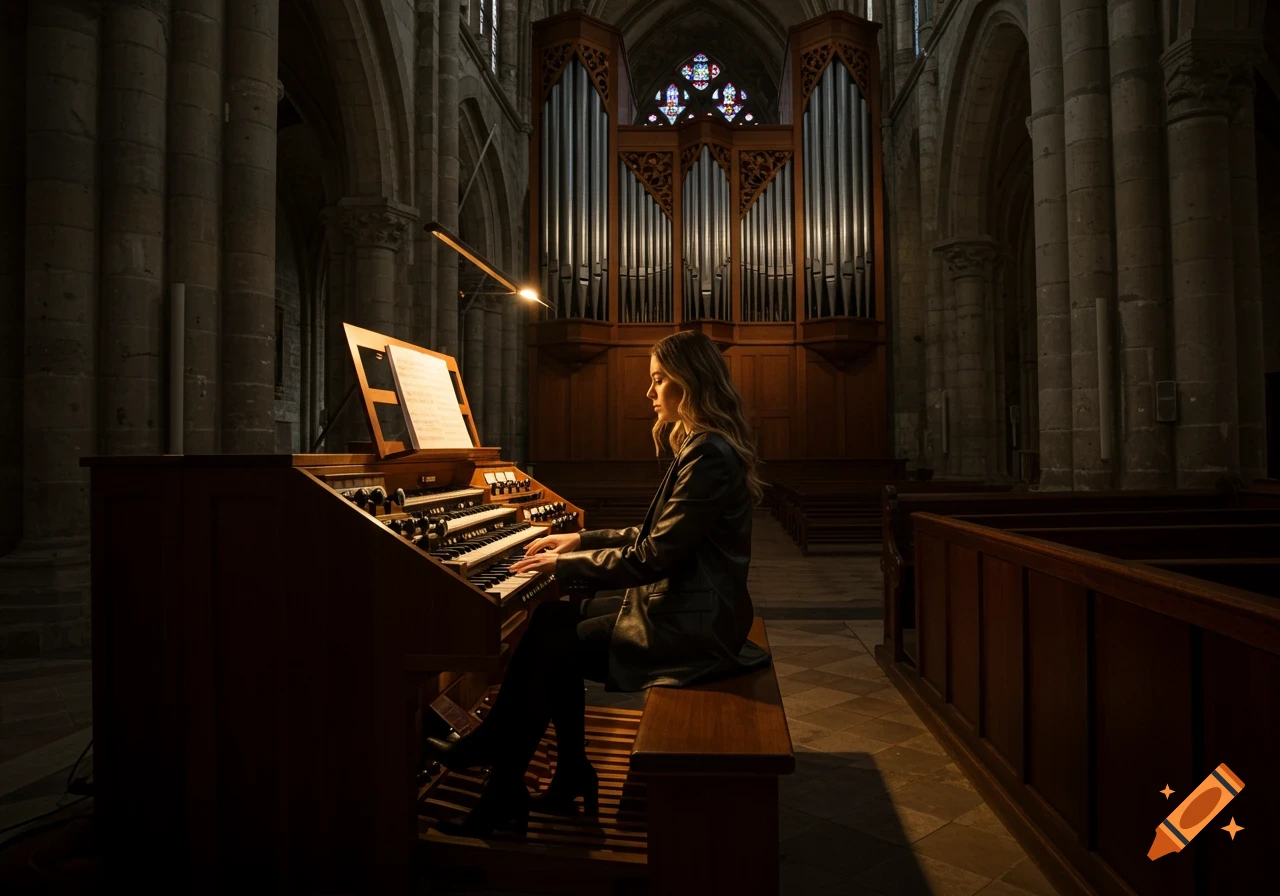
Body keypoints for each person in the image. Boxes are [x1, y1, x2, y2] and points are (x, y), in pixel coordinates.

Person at [424, 329, 770, 837]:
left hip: (694, 628)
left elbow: (654, 555)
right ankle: (565, 771)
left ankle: (500, 789)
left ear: (688, 383)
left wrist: (564, 568)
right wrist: (579, 540)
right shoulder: (703, 446)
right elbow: (656, 534)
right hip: (689, 609)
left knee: (550, 645)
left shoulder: (708, 453)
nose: (649, 394)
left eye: (658, 381)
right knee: (551, 621)